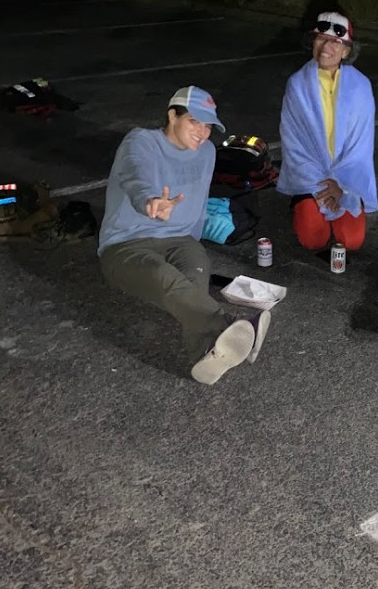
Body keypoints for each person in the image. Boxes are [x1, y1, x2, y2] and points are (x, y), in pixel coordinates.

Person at [98, 86, 270, 385]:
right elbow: (135, 173)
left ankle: (204, 355)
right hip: (126, 243)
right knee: (168, 281)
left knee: (194, 280)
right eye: (194, 121)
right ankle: (228, 326)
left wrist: (195, 241)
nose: (202, 133)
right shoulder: (142, 141)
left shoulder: (207, 152)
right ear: (172, 116)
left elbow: (199, 201)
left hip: (180, 240)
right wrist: (149, 200)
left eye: (208, 126)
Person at [276, 11, 378, 252]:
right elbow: (293, 143)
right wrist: (321, 184)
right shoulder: (297, 84)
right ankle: (302, 200)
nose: (326, 47)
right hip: (311, 176)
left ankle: (337, 200)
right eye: (321, 38)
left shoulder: (361, 86)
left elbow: (361, 147)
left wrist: (342, 187)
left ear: (346, 51)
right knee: (314, 240)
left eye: (335, 42)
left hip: (347, 180)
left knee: (351, 242)